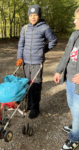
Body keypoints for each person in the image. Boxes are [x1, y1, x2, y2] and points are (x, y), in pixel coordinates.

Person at [16, 4, 57, 119]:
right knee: (27, 85)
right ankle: (28, 105)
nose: (33, 17)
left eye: (35, 15)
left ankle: (35, 108)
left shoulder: (45, 28)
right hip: (26, 63)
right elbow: (21, 44)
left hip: (37, 63)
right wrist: (19, 57)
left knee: (36, 86)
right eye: (31, 15)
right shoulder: (25, 28)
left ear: (39, 16)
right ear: (28, 16)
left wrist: (43, 51)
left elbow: (53, 40)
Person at [54, 7, 79, 150]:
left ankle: (75, 138)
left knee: (77, 111)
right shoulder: (74, 34)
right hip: (70, 80)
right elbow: (66, 54)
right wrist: (58, 70)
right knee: (72, 107)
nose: (74, 21)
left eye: (77, 19)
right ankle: (76, 126)